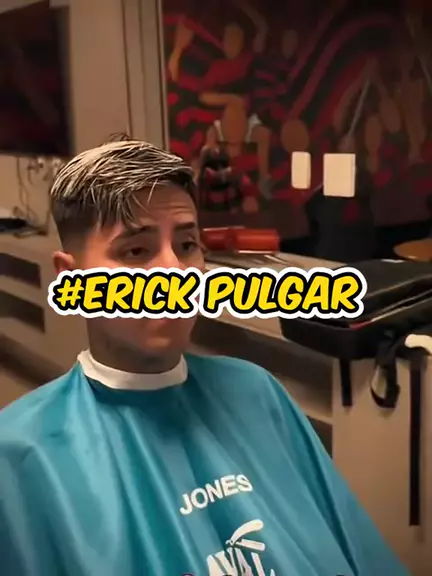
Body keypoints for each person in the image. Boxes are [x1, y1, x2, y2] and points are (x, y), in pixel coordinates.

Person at [0, 139, 409, 576]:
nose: (175, 272)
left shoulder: (257, 392)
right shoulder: (22, 454)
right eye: (136, 251)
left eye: (187, 244)